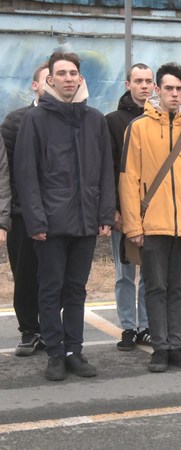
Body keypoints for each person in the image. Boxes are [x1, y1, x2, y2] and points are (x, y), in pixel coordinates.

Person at [15, 51, 115, 381]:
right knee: (50, 289)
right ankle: (55, 353)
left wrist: (105, 214)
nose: (69, 78)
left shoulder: (95, 120)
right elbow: (26, 174)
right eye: (62, 73)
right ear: (50, 79)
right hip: (50, 225)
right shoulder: (35, 120)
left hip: (86, 221)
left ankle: (74, 351)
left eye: (74, 73)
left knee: (76, 290)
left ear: (81, 78)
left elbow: (105, 172)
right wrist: (36, 220)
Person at [119, 62, 181, 373]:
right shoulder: (138, 128)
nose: (174, 93)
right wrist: (133, 225)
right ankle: (159, 347)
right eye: (168, 88)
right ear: (157, 90)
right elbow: (128, 179)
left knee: (179, 288)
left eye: (179, 89)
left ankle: (176, 344)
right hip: (153, 224)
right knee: (156, 287)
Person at [1, 61, 48, 357]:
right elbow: (5, 173)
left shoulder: (72, 120)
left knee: (55, 276)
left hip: (58, 214)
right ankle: (29, 331)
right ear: (35, 85)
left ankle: (54, 330)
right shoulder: (14, 122)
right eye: (47, 79)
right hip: (22, 215)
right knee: (26, 275)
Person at [105, 63, 153, 350]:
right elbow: (109, 168)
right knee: (124, 272)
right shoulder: (112, 121)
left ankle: (146, 325)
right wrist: (114, 209)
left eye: (148, 81)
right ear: (128, 84)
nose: (144, 86)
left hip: (153, 211)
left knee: (149, 271)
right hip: (123, 211)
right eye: (139, 81)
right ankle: (128, 327)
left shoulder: (162, 120)